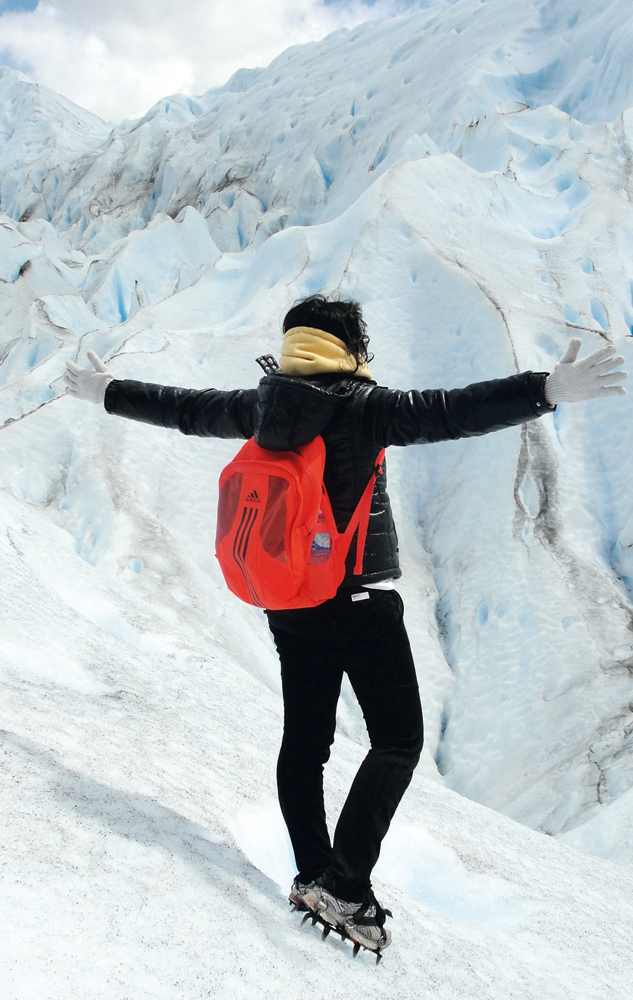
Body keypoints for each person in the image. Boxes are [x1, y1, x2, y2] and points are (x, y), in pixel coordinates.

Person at [63, 295, 627, 955]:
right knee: (396, 742)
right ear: (351, 349)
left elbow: (184, 408)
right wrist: (546, 389)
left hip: (288, 603)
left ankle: (313, 872)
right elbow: (454, 410)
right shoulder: (364, 409)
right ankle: (345, 883)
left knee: (305, 743)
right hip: (356, 606)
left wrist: (106, 390)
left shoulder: (262, 404)